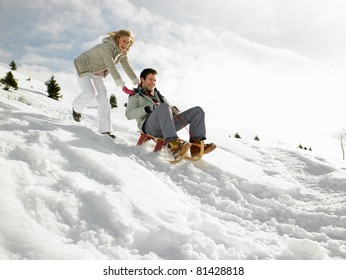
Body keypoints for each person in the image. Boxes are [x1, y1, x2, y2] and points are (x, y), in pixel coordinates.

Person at [125, 68, 216, 160]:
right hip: (149, 126)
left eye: (154, 80)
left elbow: (167, 107)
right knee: (163, 106)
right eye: (150, 79)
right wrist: (148, 109)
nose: (153, 82)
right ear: (142, 79)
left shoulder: (158, 95)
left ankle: (196, 147)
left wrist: (174, 110)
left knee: (197, 111)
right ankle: (174, 146)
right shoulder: (135, 96)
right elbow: (129, 114)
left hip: (166, 125)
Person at [72, 29, 139, 138]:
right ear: (118, 39)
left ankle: (105, 130)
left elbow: (127, 67)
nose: (126, 44)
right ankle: (76, 109)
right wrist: (122, 85)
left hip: (98, 73)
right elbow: (110, 65)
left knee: (104, 99)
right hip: (84, 67)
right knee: (90, 92)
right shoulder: (106, 47)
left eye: (128, 42)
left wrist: (136, 81)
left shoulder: (122, 53)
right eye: (124, 41)